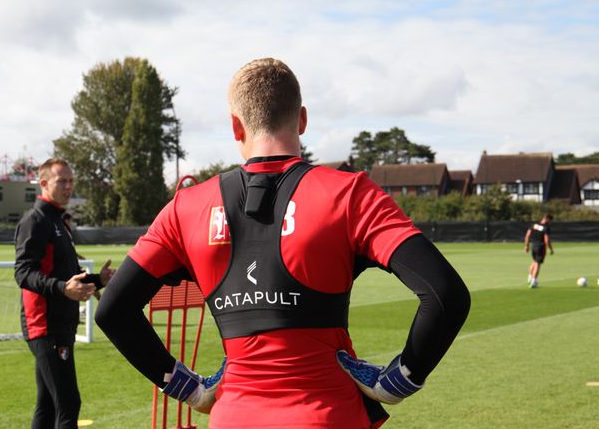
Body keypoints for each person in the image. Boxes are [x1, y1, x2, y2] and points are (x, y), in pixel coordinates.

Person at [95, 58, 470, 428]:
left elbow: (113, 310)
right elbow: (445, 295)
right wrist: (398, 381)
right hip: (329, 416)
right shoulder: (349, 193)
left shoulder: (185, 208)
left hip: (233, 418)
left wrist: (188, 388)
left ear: (235, 126)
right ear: (302, 119)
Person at [15, 158, 114, 429]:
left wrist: (97, 279)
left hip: (61, 324)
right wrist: (63, 289)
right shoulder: (35, 221)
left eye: (71, 181)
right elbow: (22, 273)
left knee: (47, 406)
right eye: (62, 181)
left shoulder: (58, 221)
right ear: (44, 183)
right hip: (45, 325)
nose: (69, 186)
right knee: (68, 403)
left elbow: (66, 273)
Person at [524, 213, 554, 289]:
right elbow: (546, 240)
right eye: (550, 221)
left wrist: (526, 246)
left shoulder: (534, 225)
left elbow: (527, 235)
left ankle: (530, 278)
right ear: (547, 219)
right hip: (541, 246)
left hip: (533, 245)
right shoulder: (546, 228)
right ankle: (534, 282)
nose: (550, 222)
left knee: (534, 261)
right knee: (538, 263)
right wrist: (550, 249)